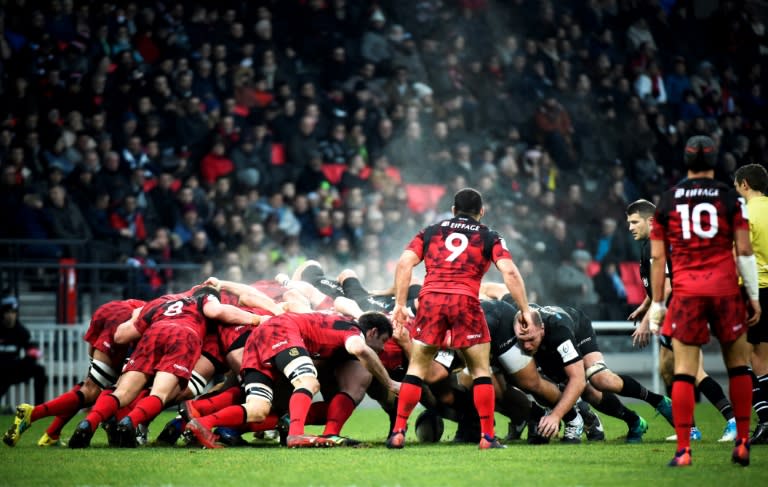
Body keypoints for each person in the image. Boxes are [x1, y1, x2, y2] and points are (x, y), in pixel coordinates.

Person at [386, 187, 534, 450]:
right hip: (465, 301)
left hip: (431, 300)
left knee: (417, 368)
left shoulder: (431, 231)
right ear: (481, 212)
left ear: (453, 210)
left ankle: (398, 432)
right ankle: (487, 437)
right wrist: (524, 309)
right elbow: (509, 272)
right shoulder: (489, 236)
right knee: (479, 370)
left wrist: (399, 304)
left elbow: (403, 264)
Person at [649, 135, 761, 467]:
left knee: (683, 370)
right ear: (715, 163)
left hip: (686, 293)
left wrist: (657, 304)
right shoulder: (731, 199)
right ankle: (742, 443)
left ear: (685, 161)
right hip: (726, 290)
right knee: (738, 366)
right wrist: (753, 296)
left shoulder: (668, 201)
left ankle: (684, 450)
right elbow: (743, 250)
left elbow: (658, 259)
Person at [68, 285, 262, 448]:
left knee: (121, 392)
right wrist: (257, 319)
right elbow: (217, 311)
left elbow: (120, 336)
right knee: (160, 394)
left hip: (153, 332)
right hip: (183, 336)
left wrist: (135, 316)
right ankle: (132, 422)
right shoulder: (204, 300)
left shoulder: (159, 302)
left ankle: (88, 423)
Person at [183, 311, 398, 448]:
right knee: (308, 382)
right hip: (282, 331)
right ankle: (296, 435)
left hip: (258, 339)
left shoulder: (334, 328)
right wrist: (390, 383)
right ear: (372, 332)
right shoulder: (354, 331)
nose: (383, 348)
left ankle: (202, 424)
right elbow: (359, 348)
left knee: (258, 409)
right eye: (384, 341)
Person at [626, 199, 737, 442]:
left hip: (682, 311)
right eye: (629, 223)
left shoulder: (659, 243)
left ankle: (733, 421)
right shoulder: (651, 244)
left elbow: (665, 287)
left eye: (635, 222)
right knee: (667, 369)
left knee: (693, 371)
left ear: (651, 221)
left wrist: (645, 322)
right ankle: (688, 428)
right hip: (673, 311)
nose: (631, 227)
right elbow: (659, 285)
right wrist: (643, 307)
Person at [514, 304, 672, 443]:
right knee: (588, 393)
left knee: (601, 379)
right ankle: (634, 421)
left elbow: (578, 380)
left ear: (541, 329)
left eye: (530, 339)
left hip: (578, 330)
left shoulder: (558, 331)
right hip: (547, 345)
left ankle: (657, 400)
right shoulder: (518, 323)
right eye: (522, 340)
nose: (526, 346)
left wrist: (555, 416)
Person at [3, 298, 145, 447]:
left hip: (107, 310)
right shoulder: (164, 321)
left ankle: (51, 434)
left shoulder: (158, 305)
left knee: (91, 386)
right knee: (93, 390)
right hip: (126, 321)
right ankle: (32, 414)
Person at [733, 163, 768, 444]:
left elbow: (737, 255)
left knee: (742, 360)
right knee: (763, 359)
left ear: (744, 184)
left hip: (752, 290)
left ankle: (766, 420)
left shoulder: (744, 214)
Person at [0, 296, 47, 409]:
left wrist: (29, 359)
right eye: (8, 312)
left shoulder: (21, 331)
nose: (11, 316)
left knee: (39, 370)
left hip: (13, 368)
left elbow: (33, 351)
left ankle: (39, 408)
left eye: (13, 312)